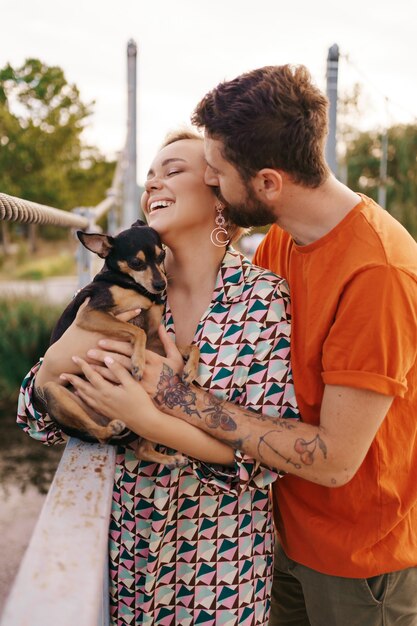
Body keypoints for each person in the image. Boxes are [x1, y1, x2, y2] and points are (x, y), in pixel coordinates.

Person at [94, 66, 417, 625]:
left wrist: (174, 397)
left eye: (216, 173)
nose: (211, 182)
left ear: (267, 183)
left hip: (359, 558)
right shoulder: (285, 242)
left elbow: (337, 462)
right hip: (280, 534)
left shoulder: (380, 272)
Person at [17, 129, 299, 626]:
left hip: (220, 566)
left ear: (219, 191)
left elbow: (265, 459)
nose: (152, 186)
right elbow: (35, 415)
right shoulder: (119, 294)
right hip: (130, 552)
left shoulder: (264, 298)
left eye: (172, 170)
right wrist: (59, 369)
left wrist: (147, 415)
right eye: (148, 177)